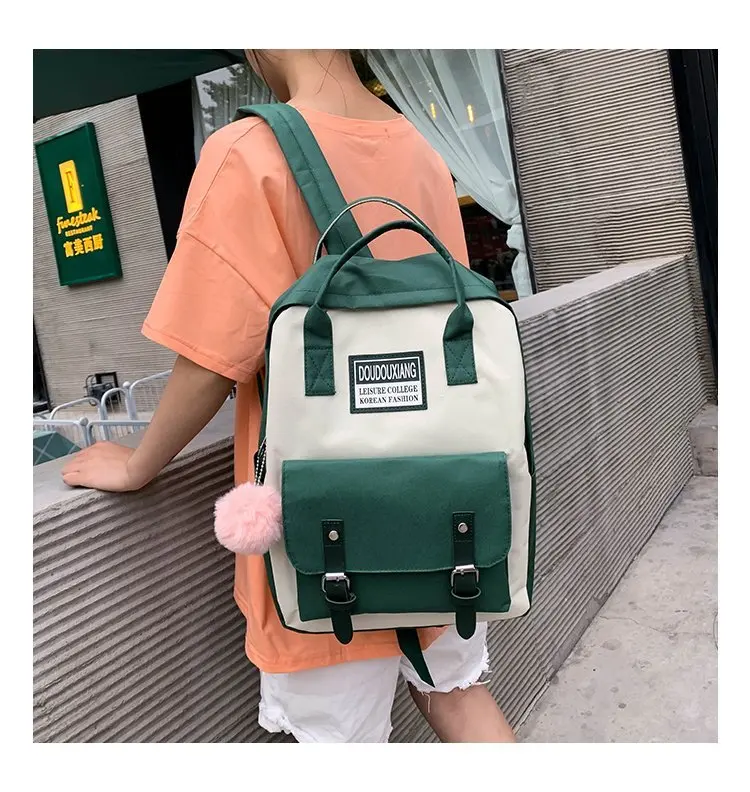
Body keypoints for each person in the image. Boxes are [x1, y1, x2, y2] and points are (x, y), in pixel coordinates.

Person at [61, 49, 516, 744]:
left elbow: (212, 357)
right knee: (457, 696)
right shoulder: (420, 146)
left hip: (322, 522)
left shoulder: (248, 152)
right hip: (442, 500)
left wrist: (136, 464)